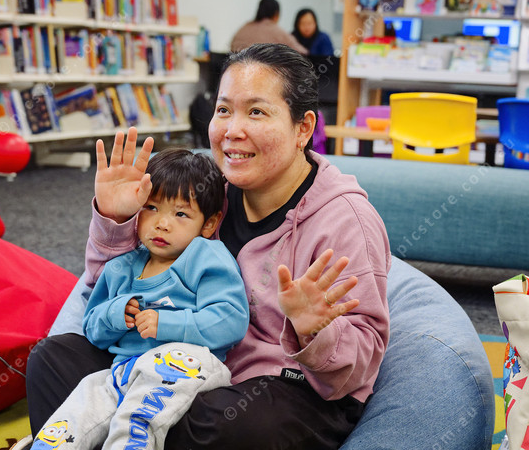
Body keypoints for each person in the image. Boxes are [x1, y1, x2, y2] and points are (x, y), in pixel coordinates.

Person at [25, 43, 390, 450]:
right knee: (52, 359)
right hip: (175, 364)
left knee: (226, 424)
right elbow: (110, 287)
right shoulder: (206, 192)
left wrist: (314, 331)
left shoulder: (345, 221)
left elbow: (359, 368)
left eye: (256, 112)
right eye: (223, 110)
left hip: (278, 385)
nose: (233, 130)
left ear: (303, 128)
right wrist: (116, 220)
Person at [29, 148, 249, 450]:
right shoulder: (123, 266)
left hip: (185, 368)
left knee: (135, 418)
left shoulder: (206, 256)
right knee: (78, 408)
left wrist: (167, 324)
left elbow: (230, 320)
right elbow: (92, 328)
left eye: (181, 214)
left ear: (209, 224)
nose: (162, 223)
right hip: (124, 371)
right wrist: (115, 314)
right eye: (152, 208)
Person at [230, 0, 308, 54]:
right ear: (276, 14)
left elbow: (232, 48)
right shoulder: (276, 31)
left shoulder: (244, 28)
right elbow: (302, 52)